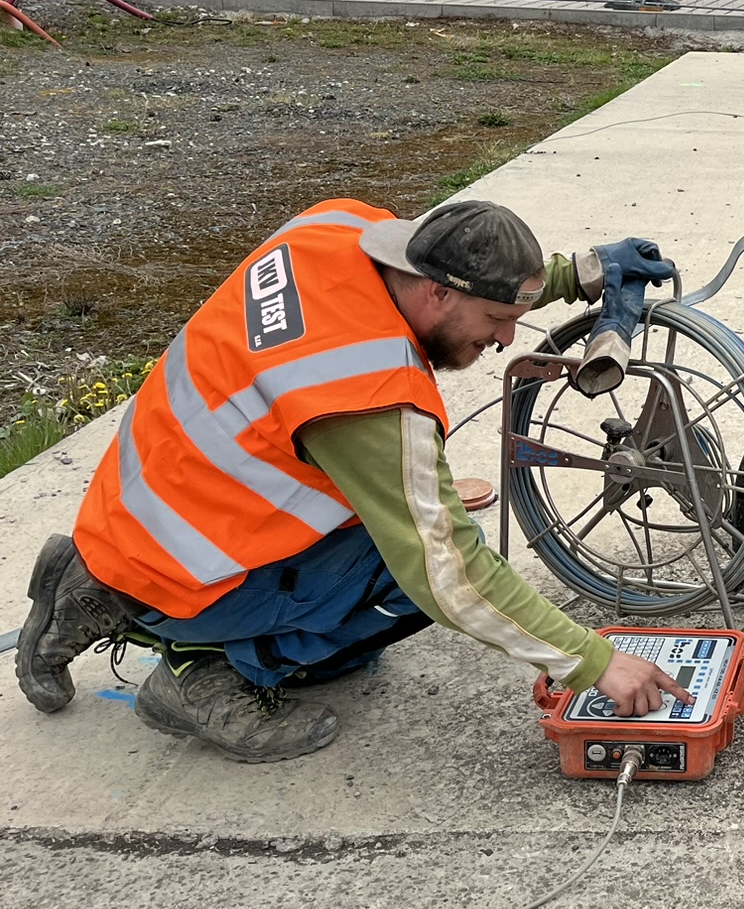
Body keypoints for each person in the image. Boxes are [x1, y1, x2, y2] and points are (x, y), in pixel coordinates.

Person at [15, 197, 688, 762]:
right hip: (194, 560)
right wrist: (592, 662)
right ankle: (202, 671)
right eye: (497, 321)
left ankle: (99, 580)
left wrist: (581, 273)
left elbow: (450, 254)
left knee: (402, 539)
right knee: (417, 578)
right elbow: (450, 573)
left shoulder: (334, 227)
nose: (507, 340)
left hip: (149, 504)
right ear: (438, 293)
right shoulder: (365, 393)